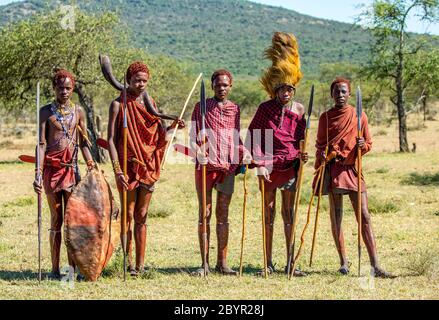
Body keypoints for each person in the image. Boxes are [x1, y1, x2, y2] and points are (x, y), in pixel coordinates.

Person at [107, 61, 184, 276]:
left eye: (144, 81)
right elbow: (111, 140)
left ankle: (140, 266)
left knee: (142, 215)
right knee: (128, 215)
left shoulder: (150, 102)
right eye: (136, 80)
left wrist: (172, 127)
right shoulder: (118, 105)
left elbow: (158, 133)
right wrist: (117, 171)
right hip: (127, 168)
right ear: (128, 80)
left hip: (149, 166)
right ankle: (127, 262)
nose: (141, 84)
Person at [314, 77, 395, 278]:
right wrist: (323, 155)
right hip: (334, 172)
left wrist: (362, 146)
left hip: (354, 171)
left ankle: (375, 265)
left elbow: (368, 143)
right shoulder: (325, 117)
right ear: (331, 94)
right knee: (337, 217)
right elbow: (319, 145)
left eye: (343, 92)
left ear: (349, 94)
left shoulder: (359, 115)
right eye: (336, 92)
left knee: (365, 215)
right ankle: (343, 262)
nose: (340, 95)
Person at [247, 32, 308, 276]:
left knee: (289, 214)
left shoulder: (300, 109)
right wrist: (259, 162)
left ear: (293, 90)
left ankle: (291, 262)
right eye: (282, 89)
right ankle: (267, 262)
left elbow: (302, 138)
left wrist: (303, 155)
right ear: (275, 89)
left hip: (291, 166)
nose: (286, 93)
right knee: (269, 213)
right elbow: (253, 136)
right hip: (268, 167)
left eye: (290, 89)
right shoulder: (265, 109)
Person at [33, 69, 95, 280]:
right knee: (56, 220)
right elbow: (41, 144)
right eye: (61, 87)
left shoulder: (78, 112)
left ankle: (71, 270)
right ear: (54, 88)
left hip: (71, 171)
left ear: (73, 88)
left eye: (68, 88)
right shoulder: (45, 112)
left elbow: (84, 142)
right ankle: (53, 269)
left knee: (72, 221)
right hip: (51, 170)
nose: (65, 91)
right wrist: (38, 173)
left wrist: (90, 163)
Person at [190, 69, 252, 276]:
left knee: (223, 214)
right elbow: (192, 135)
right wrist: (197, 150)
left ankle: (222, 263)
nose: (221, 88)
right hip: (205, 166)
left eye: (225, 85)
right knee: (204, 213)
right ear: (212, 86)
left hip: (228, 166)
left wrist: (244, 154)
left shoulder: (235, 109)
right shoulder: (201, 107)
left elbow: (235, 136)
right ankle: (204, 263)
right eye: (218, 85)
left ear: (230, 86)